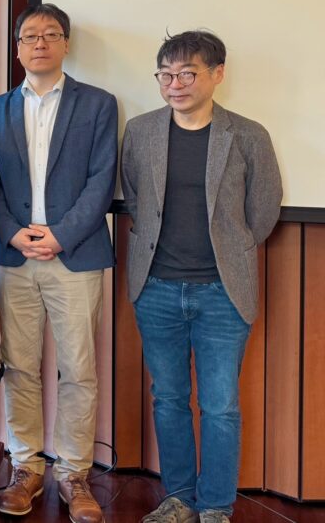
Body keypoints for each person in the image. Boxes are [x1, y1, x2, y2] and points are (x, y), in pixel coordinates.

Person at [123, 31, 281, 523]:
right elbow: (134, 197)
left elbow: (263, 211)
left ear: (217, 73)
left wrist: (229, 252)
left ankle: (215, 506)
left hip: (222, 292)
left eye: (187, 73)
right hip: (156, 288)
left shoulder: (247, 134)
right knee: (167, 398)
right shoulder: (141, 131)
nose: (175, 84)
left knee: (220, 406)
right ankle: (179, 499)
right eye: (166, 74)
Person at [0, 3, 116, 522]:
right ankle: (26, 467)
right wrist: (14, 233)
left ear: (66, 45)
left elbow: (102, 180)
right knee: (19, 367)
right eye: (30, 36)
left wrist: (59, 236)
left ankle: (75, 474)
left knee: (79, 370)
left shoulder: (99, 104)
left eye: (51, 35)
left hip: (75, 255)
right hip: (14, 257)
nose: (40, 43)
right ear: (17, 48)